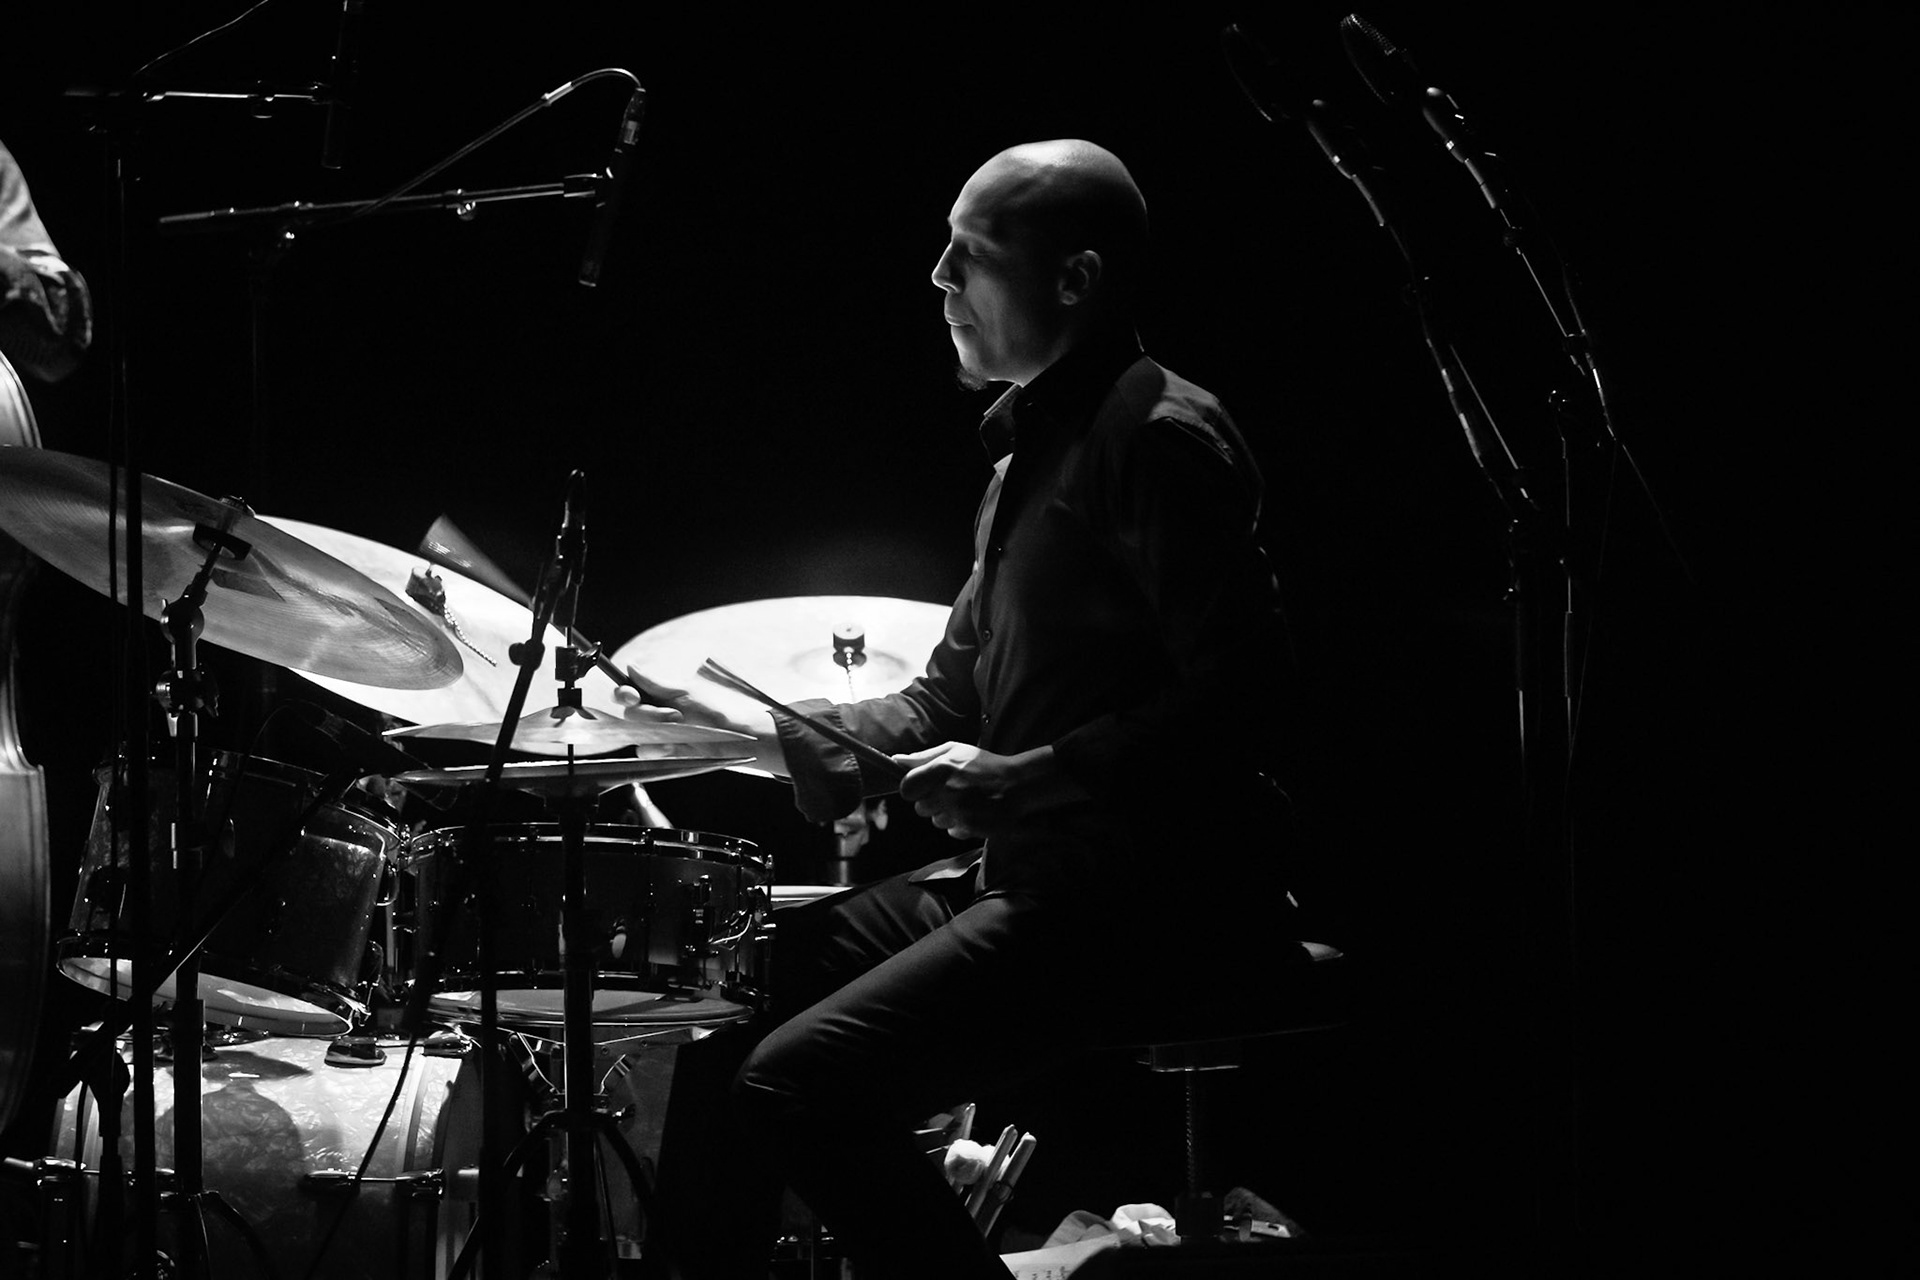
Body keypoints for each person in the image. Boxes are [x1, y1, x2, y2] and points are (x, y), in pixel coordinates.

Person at [621, 138, 1307, 1279]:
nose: (938, 279)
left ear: (1074, 280)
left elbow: (1249, 697)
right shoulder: (1025, 456)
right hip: (1032, 875)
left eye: (970, 255)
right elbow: (950, 690)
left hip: (1140, 898)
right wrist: (745, 728)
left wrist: (1030, 775)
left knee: (800, 1083)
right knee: (725, 997)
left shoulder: (1158, 436)